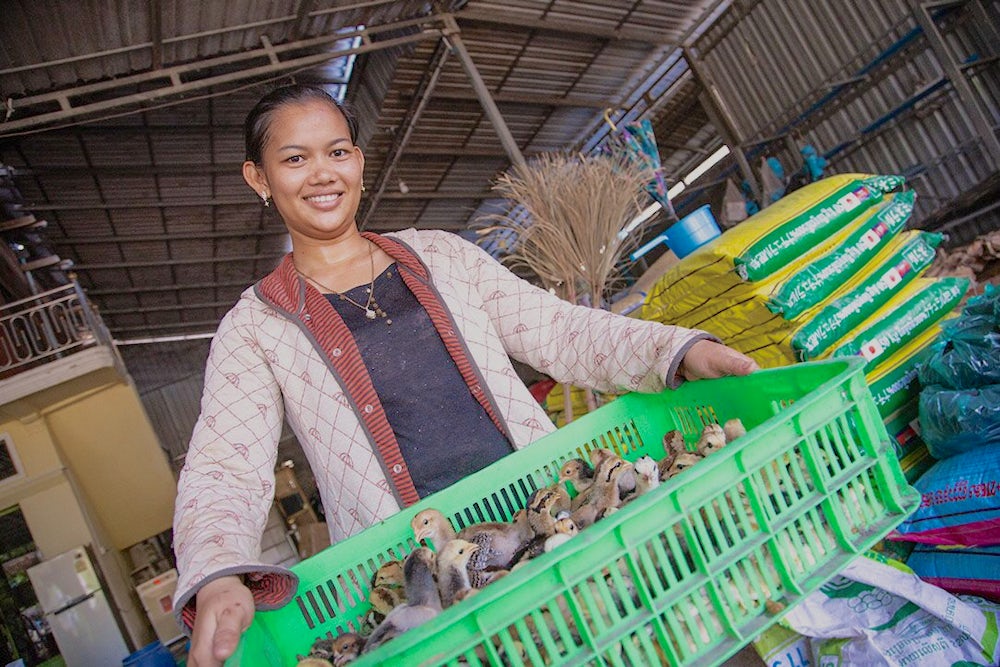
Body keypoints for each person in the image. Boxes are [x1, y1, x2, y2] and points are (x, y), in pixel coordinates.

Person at [172, 83, 758, 666]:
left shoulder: (441, 257)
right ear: (259, 179)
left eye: (337, 151)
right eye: (295, 159)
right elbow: (225, 467)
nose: (322, 173)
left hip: (551, 521)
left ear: (359, 161)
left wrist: (677, 352)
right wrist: (216, 571)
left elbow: (560, 330)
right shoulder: (256, 326)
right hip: (430, 586)